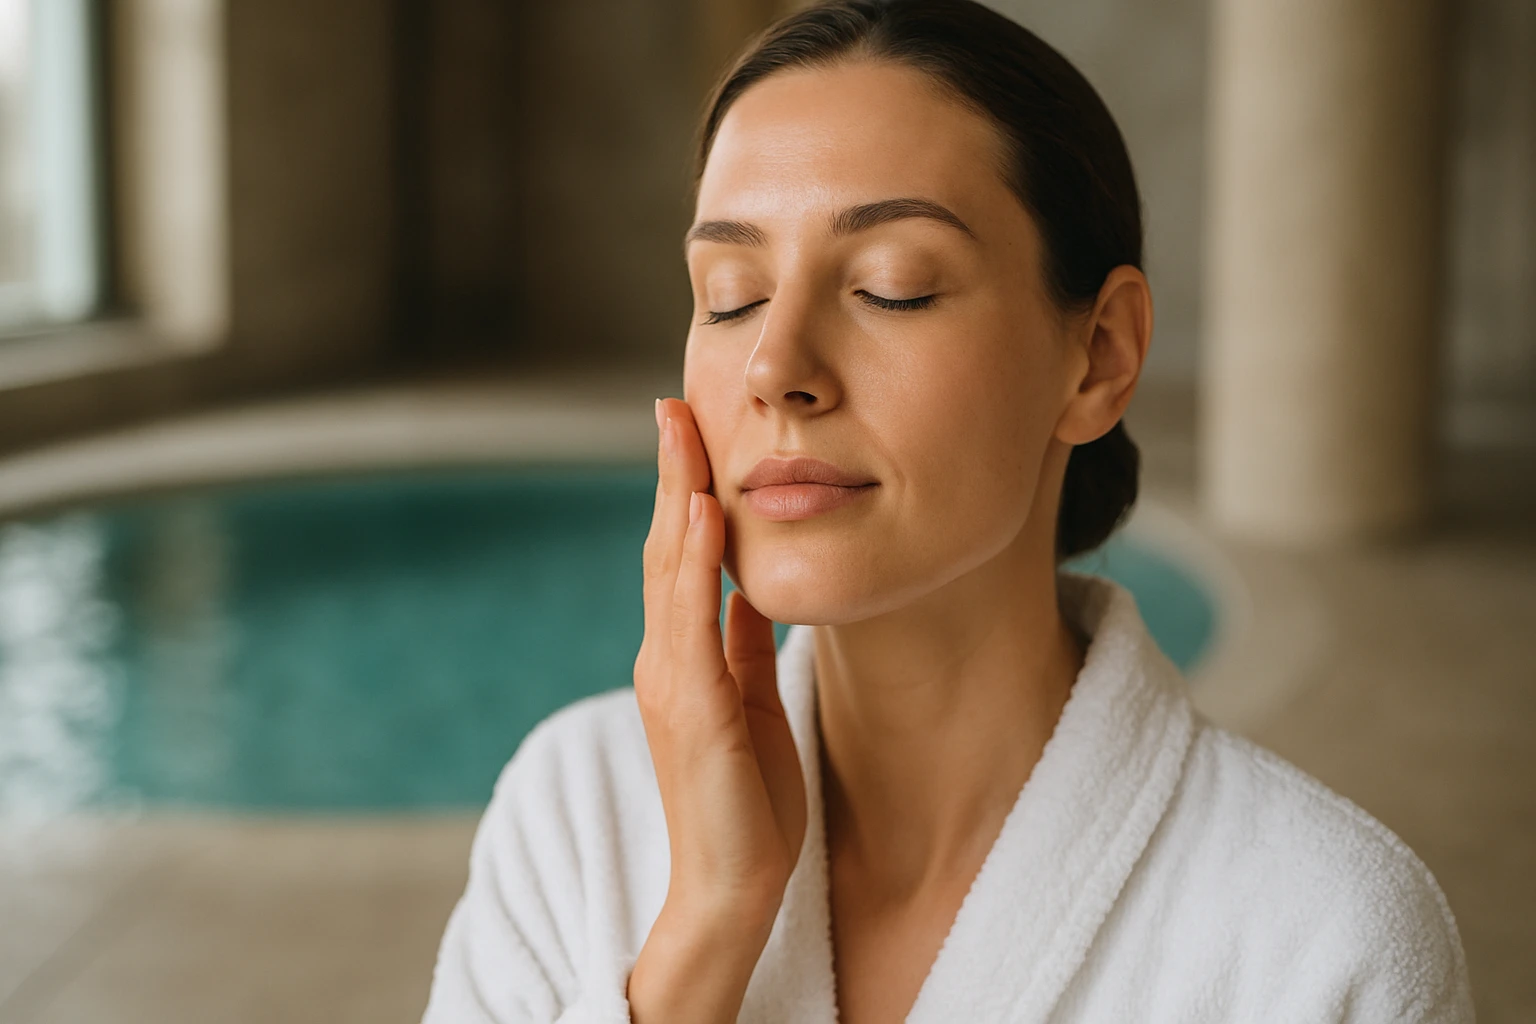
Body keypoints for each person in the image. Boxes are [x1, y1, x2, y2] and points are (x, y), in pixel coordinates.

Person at [423, 1, 1475, 1020]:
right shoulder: (576, 818)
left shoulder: (1323, 941)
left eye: (893, 287)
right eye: (730, 295)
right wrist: (704, 933)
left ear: (1100, 356)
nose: (774, 367)